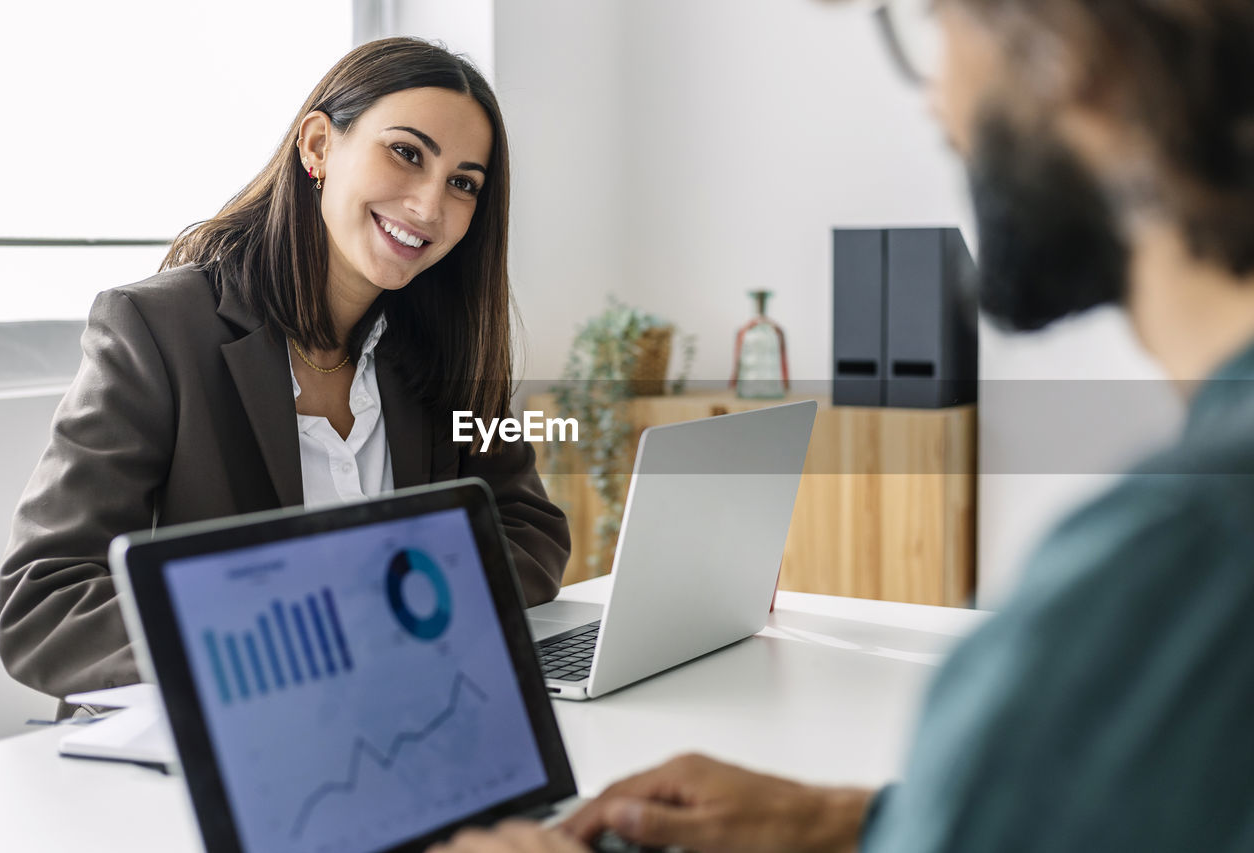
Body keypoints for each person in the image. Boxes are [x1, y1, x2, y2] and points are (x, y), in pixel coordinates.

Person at [432, 0, 1254, 850]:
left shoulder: (1184, 560)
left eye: (936, 24)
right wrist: (843, 822)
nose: (936, 99)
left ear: (1080, 57)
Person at [0, 38, 570, 713]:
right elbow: (45, 596)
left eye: (463, 183)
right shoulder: (155, 328)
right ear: (319, 146)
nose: (428, 205)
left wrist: (402, 609)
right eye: (406, 153)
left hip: (401, 711)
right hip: (206, 740)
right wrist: (280, 642)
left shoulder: (446, 347)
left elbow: (528, 528)